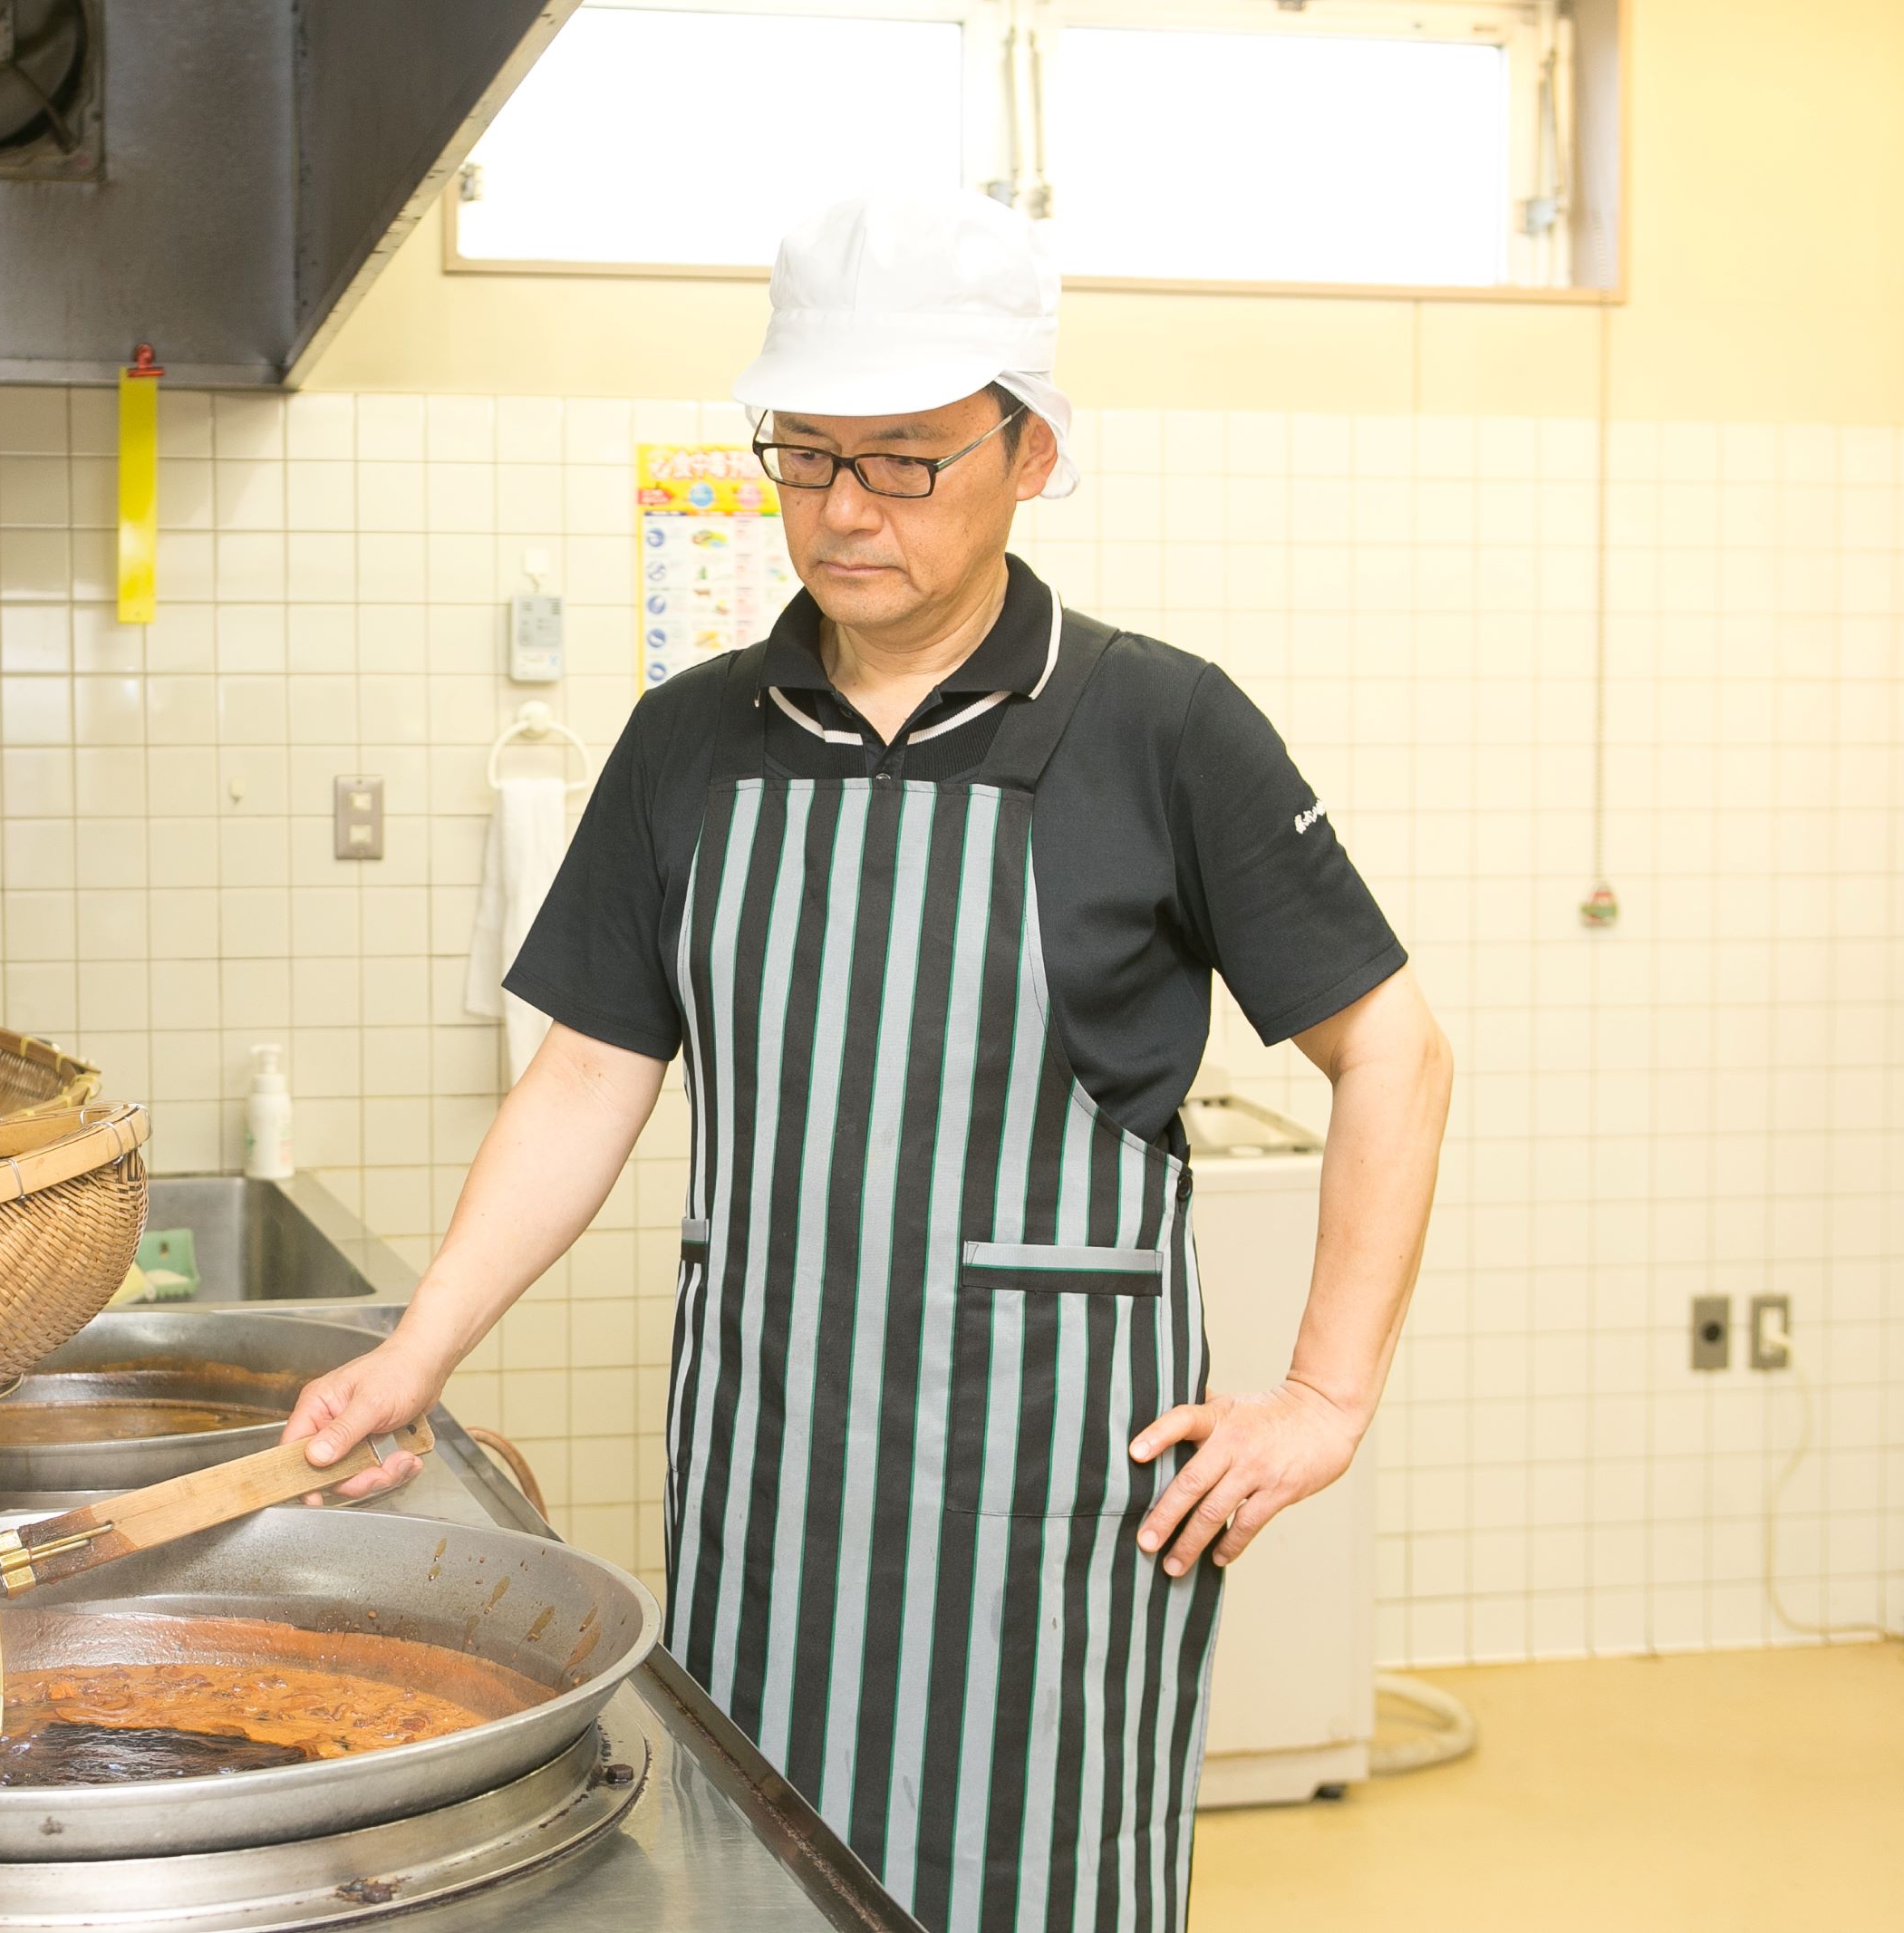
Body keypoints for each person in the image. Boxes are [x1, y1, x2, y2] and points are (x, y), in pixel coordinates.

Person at [285, 189, 1453, 1931]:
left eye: (904, 459)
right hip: (772, 1494)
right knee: (764, 1879)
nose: (841, 510)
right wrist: (418, 1347)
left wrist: (1326, 1397)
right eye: (806, 454)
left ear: (1030, 449)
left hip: (1055, 1519)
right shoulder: (692, 740)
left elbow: (1399, 1054)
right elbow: (589, 1076)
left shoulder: (1162, 726)